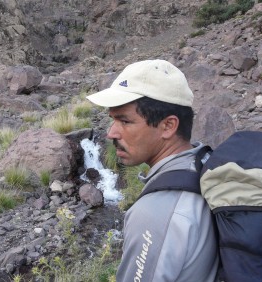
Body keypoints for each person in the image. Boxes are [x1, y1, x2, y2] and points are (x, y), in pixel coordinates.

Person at [86, 59, 219, 282]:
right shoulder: (205, 162)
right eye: (112, 120)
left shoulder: (154, 214)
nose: (111, 133)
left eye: (125, 121)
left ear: (168, 126)